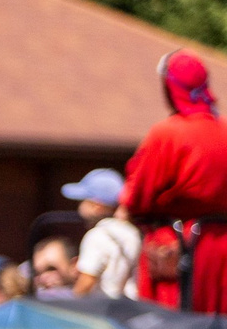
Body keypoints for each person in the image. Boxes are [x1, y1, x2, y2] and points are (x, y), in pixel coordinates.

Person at [122, 49, 227, 313]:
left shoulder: (168, 133)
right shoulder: (224, 128)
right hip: (221, 248)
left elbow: (136, 196)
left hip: (179, 245)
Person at [65, 168, 142, 298]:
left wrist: (69, 311)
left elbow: (87, 281)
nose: (79, 206)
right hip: (129, 308)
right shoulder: (132, 232)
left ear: (97, 207)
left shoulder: (98, 235)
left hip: (105, 310)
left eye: (83, 200)